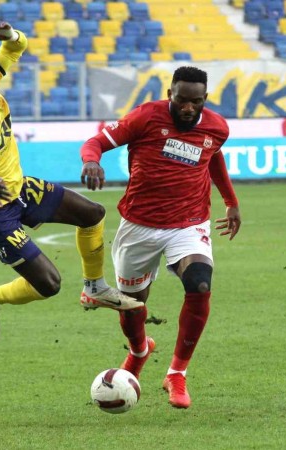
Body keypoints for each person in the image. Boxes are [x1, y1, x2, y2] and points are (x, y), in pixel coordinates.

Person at [0, 21, 142, 340]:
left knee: (92, 214)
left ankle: (95, 288)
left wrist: (9, 35)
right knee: (49, 284)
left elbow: (15, 48)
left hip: (16, 186)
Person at [80, 66, 241, 409]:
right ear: (170, 94)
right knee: (133, 306)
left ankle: (176, 373)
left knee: (199, 284)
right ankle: (140, 350)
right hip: (139, 225)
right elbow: (95, 141)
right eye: (181, 99)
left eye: (195, 102)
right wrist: (92, 161)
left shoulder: (216, 127)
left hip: (189, 223)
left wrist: (231, 202)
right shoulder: (145, 117)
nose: (187, 107)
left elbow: (213, 156)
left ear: (204, 100)